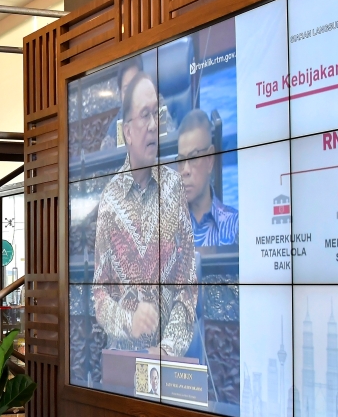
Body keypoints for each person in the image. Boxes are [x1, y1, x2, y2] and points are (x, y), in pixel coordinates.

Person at [92, 71, 198, 357]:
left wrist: (168, 349)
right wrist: (129, 322)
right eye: (144, 115)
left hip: (169, 365)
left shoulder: (174, 188)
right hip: (123, 361)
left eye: (157, 114)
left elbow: (187, 285)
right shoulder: (110, 200)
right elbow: (100, 295)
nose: (153, 125)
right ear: (127, 131)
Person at [176, 109, 238, 247]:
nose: (185, 170)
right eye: (181, 160)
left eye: (193, 158)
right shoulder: (167, 231)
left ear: (210, 159)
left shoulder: (235, 228)